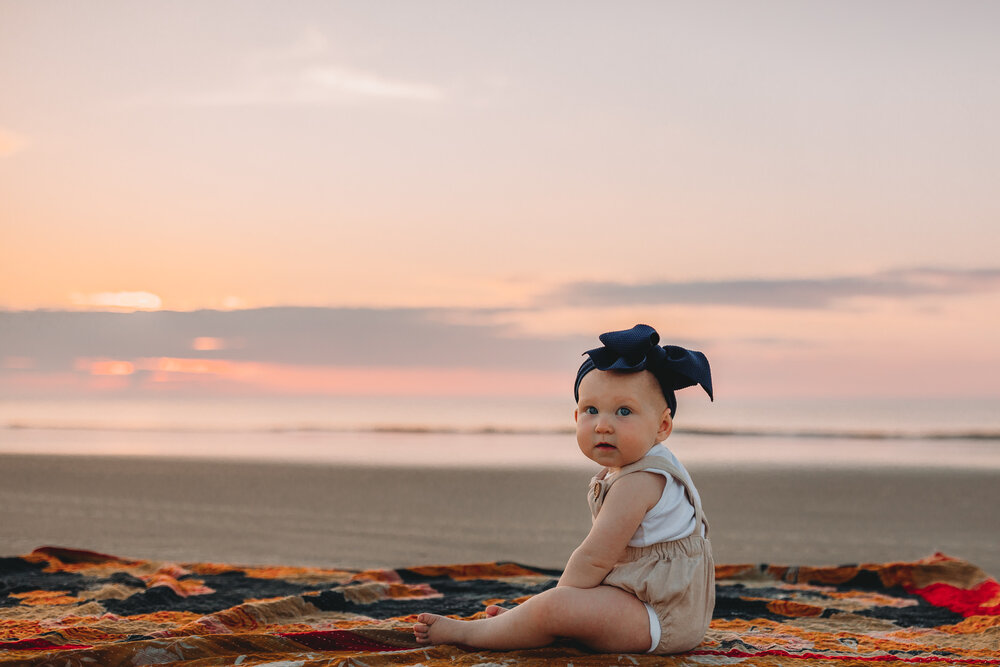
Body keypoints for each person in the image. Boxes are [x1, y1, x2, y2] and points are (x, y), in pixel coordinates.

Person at [413, 324, 715, 654]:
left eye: (624, 411)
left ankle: (474, 634)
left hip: (659, 618)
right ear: (576, 416)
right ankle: (521, 625)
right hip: (646, 601)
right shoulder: (633, 467)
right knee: (560, 610)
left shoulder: (641, 481)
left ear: (662, 426)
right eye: (591, 410)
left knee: (554, 609)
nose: (602, 424)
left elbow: (594, 559)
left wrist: (553, 607)